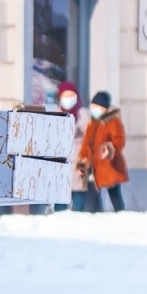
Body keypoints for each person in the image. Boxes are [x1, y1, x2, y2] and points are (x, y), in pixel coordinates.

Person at [77, 90, 127, 212]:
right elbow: (86, 144)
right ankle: (95, 215)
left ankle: (121, 216)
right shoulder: (92, 122)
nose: (94, 109)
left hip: (110, 164)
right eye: (93, 106)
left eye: (97, 107)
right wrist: (82, 162)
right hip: (94, 166)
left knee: (114, 193)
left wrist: (109, 149)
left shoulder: (113, 122)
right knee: (92, 194)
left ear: (104, 108)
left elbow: (119, 140)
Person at [56, 81, 89, 212]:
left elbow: (89, 141)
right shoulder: (55, 114)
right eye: (66, 95)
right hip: (61, 165)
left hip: (79, 163)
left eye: (71, 95)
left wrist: (84, 163)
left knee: (79, 200)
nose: (69, 98)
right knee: (60, 204)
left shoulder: (83, 115)